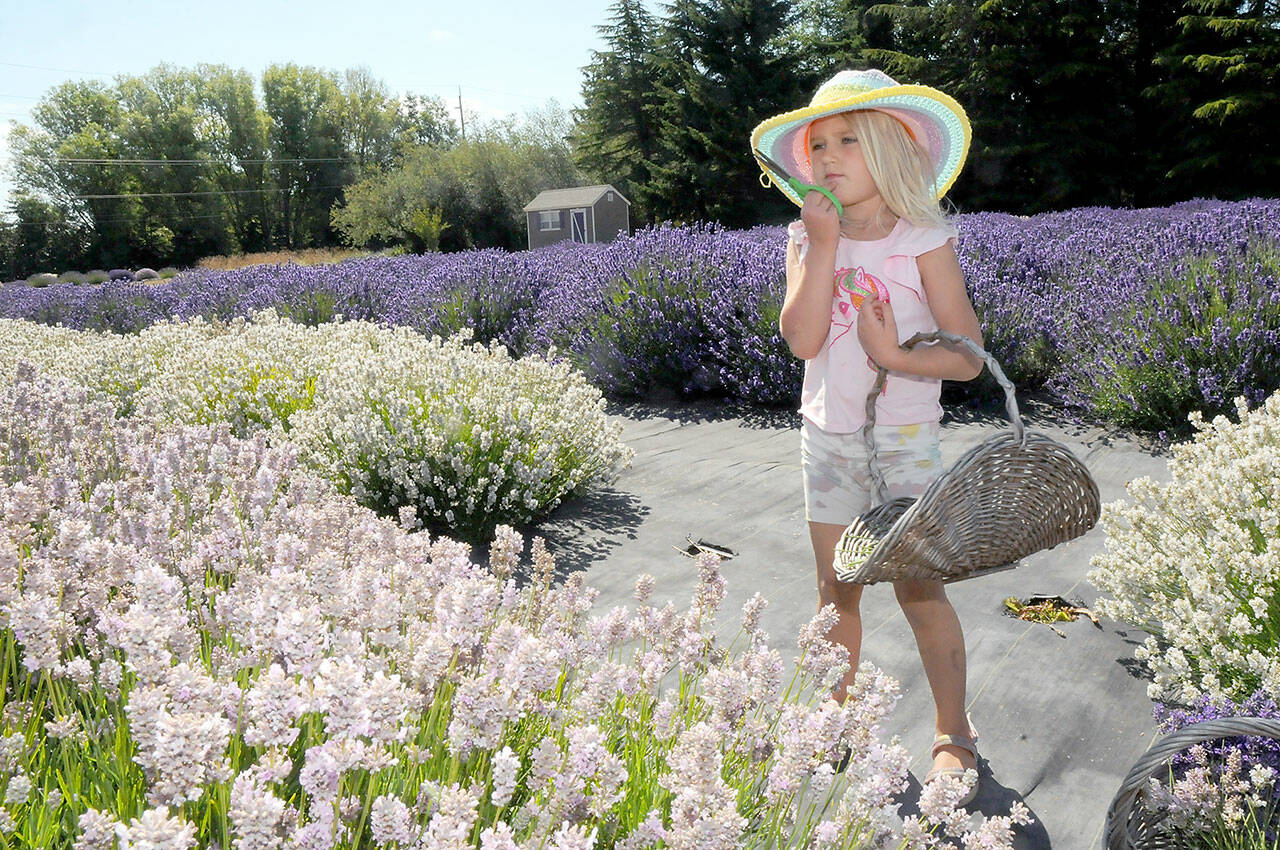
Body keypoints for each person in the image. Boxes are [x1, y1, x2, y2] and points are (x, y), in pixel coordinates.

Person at [750, 69, 985, 805]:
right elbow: (802, 337)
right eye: (818, 144)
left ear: (891, 149)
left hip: (906, 441)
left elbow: (970, 355)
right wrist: (820, 248)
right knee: (837, 590)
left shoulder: (923, 241)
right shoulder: (804, 236)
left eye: (848, 139)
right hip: (829, 438)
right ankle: (837, 715)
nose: (827, 156)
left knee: (920, 588)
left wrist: (894, 358)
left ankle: (954, 731)